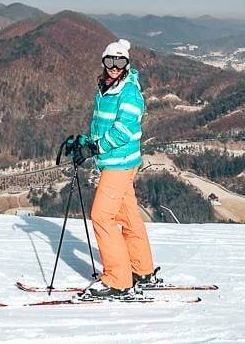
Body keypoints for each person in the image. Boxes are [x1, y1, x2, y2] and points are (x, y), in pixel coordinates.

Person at [76, 38, 162, 300]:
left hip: (119, 164)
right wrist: (85, 142)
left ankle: (117, 280)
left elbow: (124, 130)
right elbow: (101, 125)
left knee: (102, 216)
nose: (114, 67)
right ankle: (141, 270)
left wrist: (96, 148)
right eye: (110, 61)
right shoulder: (105, 88)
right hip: (116, 162)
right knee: (127, 217)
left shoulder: (129, 92)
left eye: (120, 61)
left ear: (127, 64)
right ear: (104, 62)